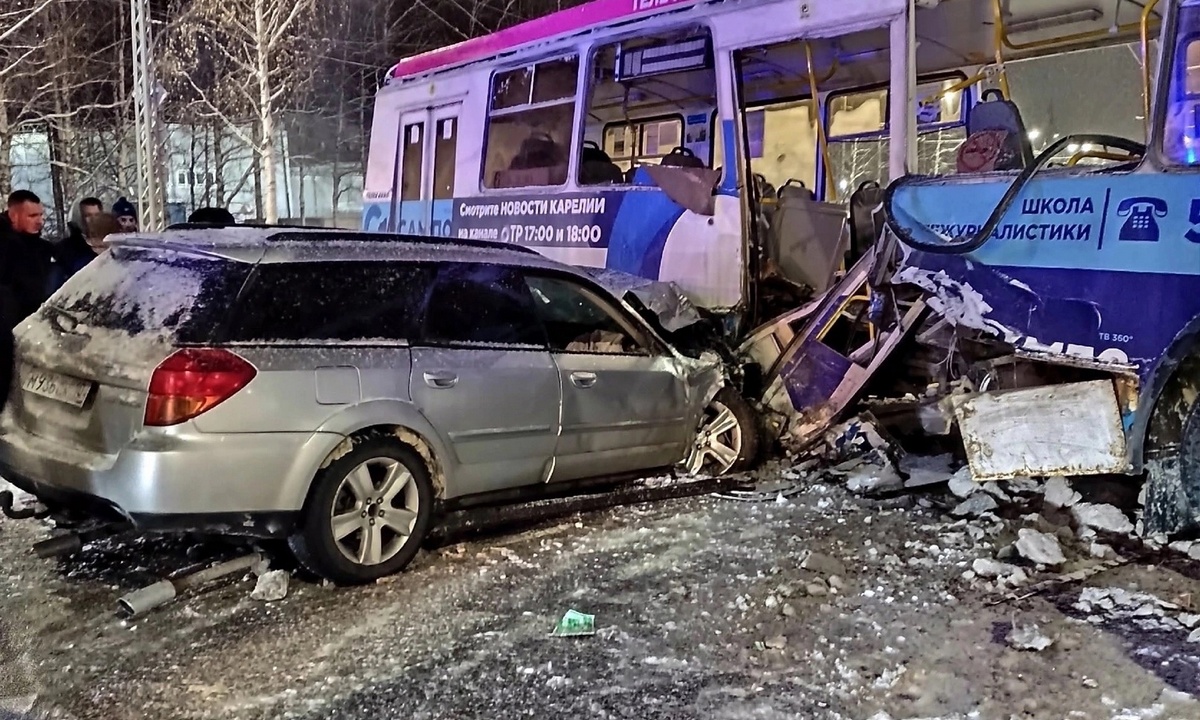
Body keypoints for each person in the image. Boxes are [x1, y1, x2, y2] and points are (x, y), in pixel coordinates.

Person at [0, 190, 57, 413]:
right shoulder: (6, 247)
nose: (40, 221)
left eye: (41, 215)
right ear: (14, 215)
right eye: (32, 216)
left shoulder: (40, 248)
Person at [54, 197, 106, 284]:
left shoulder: (112, 244)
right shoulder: (65, 249)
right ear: (78, 218)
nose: (94, 220)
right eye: (88, 216)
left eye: (97, 215)